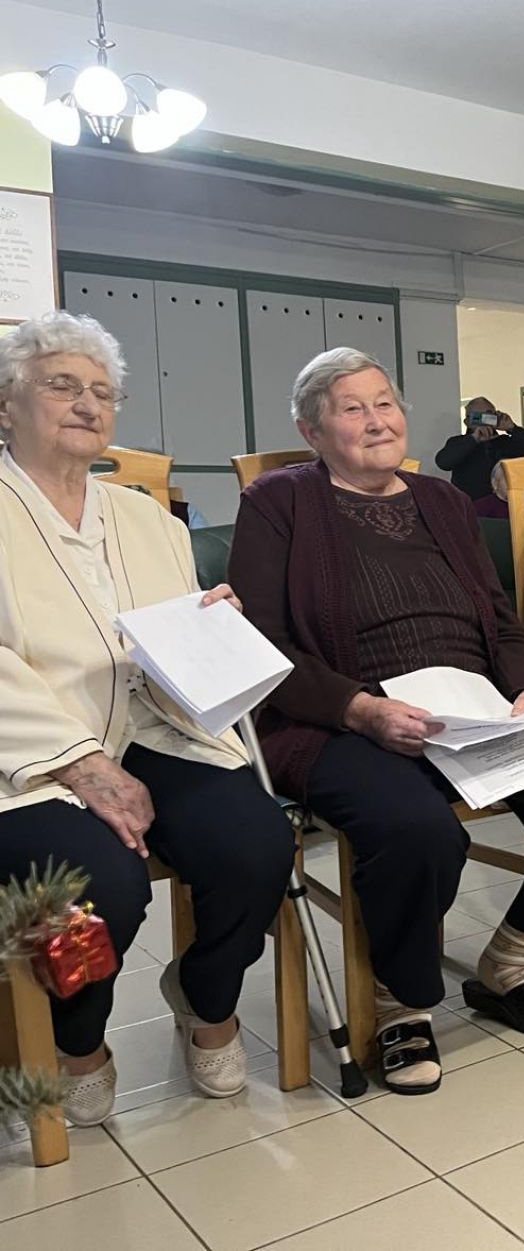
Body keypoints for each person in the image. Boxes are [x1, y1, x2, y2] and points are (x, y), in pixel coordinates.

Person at [229, 348, 524, 1094]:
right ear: (311, 430)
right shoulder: (277, 501)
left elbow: (500, 622)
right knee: (417, 829)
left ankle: (512, 957)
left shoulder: (444, 502)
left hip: (471, 712)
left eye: (384, 402)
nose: (376, 420)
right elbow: (263, 643)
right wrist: (360, 708)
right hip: (338, 716)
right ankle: (401, 1001)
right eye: (352, 409)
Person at [0, 312, 295, 1127]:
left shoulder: (151, 521)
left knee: (256, 844)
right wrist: (80, 761)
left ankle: (205, 993)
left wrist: (211, 628)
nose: (87, 403)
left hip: (153, 726)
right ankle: (79, 1040)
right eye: (62, 385)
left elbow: (165, 645)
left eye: (103, 392)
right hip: (28, 751)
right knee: (97, 888)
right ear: (6, 402)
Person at [435, 397, 524, 516]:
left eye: (489, 415)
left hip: (505, 512)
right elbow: (443, 462)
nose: (484, 420)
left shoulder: (506, 442)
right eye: (478, 416)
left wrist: (513, 428)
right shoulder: (458, 443)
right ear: (467, 421)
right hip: (469, 512)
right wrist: (474, 439)